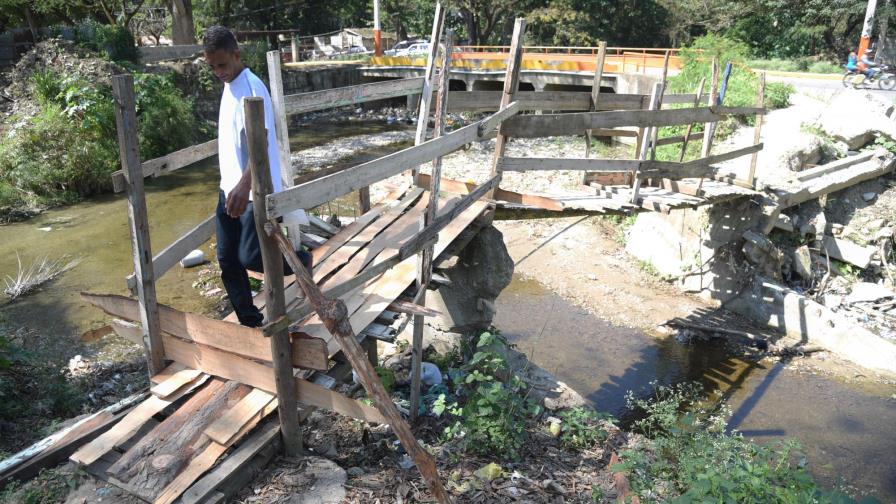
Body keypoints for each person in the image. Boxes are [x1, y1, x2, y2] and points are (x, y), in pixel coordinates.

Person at [203, 25, 311, 327]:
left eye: (222, 65)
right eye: (212, 67)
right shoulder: (228, 86)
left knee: (252, 258)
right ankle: (250, 322)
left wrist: (243, 186)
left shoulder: (252, 87)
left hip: (256, 192)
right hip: (230, 189)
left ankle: (301, 261)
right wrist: (231, 186)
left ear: (237, 55)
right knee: (227, 260)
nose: (218, 72)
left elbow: (260, 143)